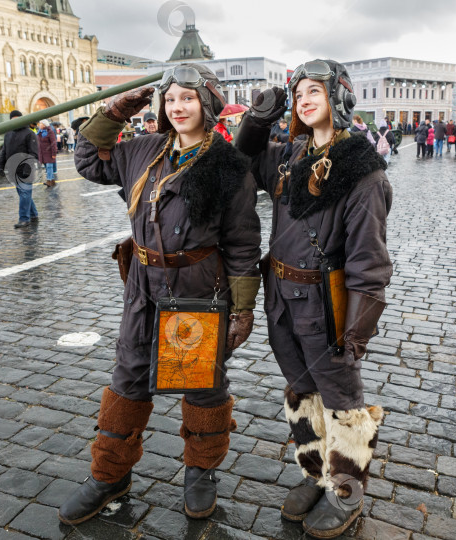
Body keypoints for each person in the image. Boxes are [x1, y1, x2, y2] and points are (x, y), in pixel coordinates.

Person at [59, 63, 261, 525]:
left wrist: (242, 309)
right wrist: (111, 113)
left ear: (206, 104)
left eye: (187, 98)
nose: (178, 107)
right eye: (170, 100)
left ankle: (200, 471)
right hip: (142, 286)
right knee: (128, 377)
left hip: (195, 289)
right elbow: (90, 161)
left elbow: (244, 243)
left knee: (201, 383)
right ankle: (109, 474)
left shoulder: (228, 166)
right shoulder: (144, 150)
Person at [235, 59, 390, 539]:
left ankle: (345, 488)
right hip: (282, 297)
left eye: (314, 92)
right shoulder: (289, 156)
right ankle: (315, 474)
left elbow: (369, 262)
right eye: (298, 92)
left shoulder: (364, 174)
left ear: (339, 99)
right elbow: (244, 160)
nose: (303, 100)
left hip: (324, 303)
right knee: (302, 390)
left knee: (342, 400)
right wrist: (258, 119)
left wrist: (356, 331)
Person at [0, 110, 40, 228]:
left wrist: (28, 168)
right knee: (24, 194)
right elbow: (4, 151)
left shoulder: (29, 133)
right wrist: (0, 166)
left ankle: (24, 219)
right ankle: (33, 214)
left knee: (24, 194)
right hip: (13, 170)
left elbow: (33, 153)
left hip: (24, 170)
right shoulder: (8, 134)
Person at [37, 120, 57, 187]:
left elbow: (53, 143)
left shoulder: (50, 132)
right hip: (42, 154)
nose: (39, 125)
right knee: (47, 167)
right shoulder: (39, 132)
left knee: (49, 167)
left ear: (44, 125)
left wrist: (54, 153)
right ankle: (52, 180)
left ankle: (49, 181)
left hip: (49, 153)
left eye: (41, 124)